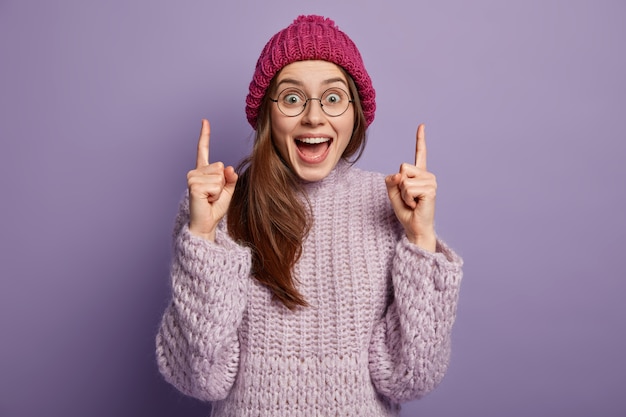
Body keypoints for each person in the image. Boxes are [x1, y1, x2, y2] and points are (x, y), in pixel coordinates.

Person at [156, 15, 463, 417]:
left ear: (356, 115)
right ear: (267, 114)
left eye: (333, 98)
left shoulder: (392, 204)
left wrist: (421, 240)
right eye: (292, 98)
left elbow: (410, 378)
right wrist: (202, 237)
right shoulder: (218, 205)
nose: (314, 117)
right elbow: (197, 377)